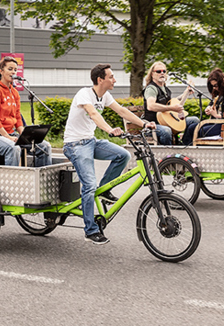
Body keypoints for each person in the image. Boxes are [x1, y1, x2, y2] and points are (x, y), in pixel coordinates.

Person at [63, 64, 156, 244]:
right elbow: (93, 114)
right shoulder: (84, 94)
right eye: (111, 77)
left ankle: (104, 191)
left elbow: (122, 111)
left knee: (123, 155)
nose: (114, 80)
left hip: (90, 141)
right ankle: (90, 230)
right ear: (100, 79)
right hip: (75, 144)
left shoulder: (104, 95)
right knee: (89, 185)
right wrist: (109, 130)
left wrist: (143, 124)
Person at [0, 56, 52, 168]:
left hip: (11, 134)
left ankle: (41, 180)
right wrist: (7, 137)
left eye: (15, 70)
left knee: (44, 146)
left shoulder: (14, 92)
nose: (13, 72)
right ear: (1, 71)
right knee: (13, 147)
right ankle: (12, 183)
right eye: (10, 69)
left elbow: (18, 118)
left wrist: (25, 135)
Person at [143, 61, 198, 145]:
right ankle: (168, 154)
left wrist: (186, 92)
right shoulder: (151, 88)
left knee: (194, 120)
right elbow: (150, 106)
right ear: (152, 74)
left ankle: (184, 145)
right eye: (158, 71)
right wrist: (172, 108)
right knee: (166, 131)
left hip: (167, 122)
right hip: (153, 124)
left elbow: (174, 102)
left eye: (164, 71)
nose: (162, 73)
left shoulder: (165, 89)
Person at [181, 68, 224, 144]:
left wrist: (216, 115)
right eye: (212, 86)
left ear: (222, 82)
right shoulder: (219, 93)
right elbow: (212, 103)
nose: (214, 88)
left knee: (197, 131)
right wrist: (209, 108)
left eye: (216, 85)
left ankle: (188, 149)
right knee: (192, 127)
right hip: (217, 124)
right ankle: (184, 146)